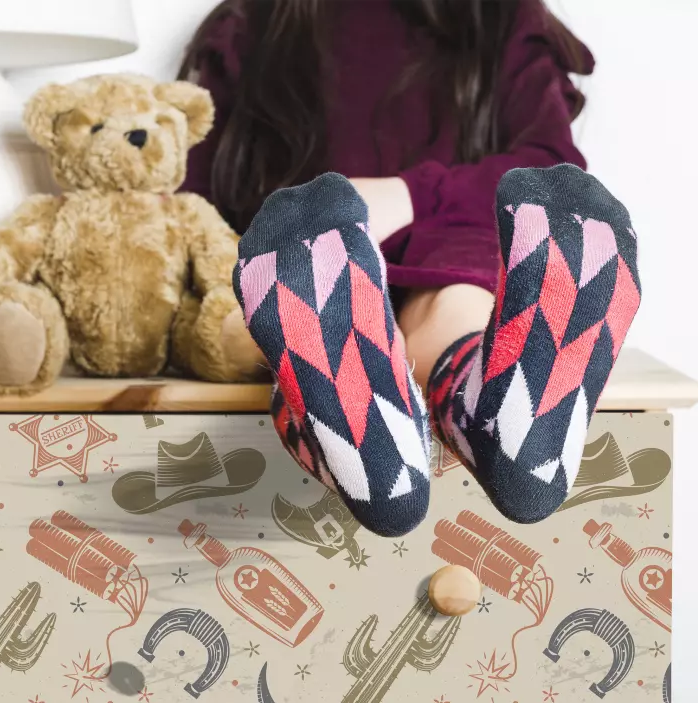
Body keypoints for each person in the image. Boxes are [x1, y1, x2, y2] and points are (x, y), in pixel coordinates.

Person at [179, 0, 641, 537]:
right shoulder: (249, 25)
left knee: (294, 322)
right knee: (437, 309)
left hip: (399, 251)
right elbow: (193, 204)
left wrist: (406, 196)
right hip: (309, 259)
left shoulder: (501, 18)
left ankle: (377, 453)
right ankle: (492, 423)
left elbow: (544, 169)